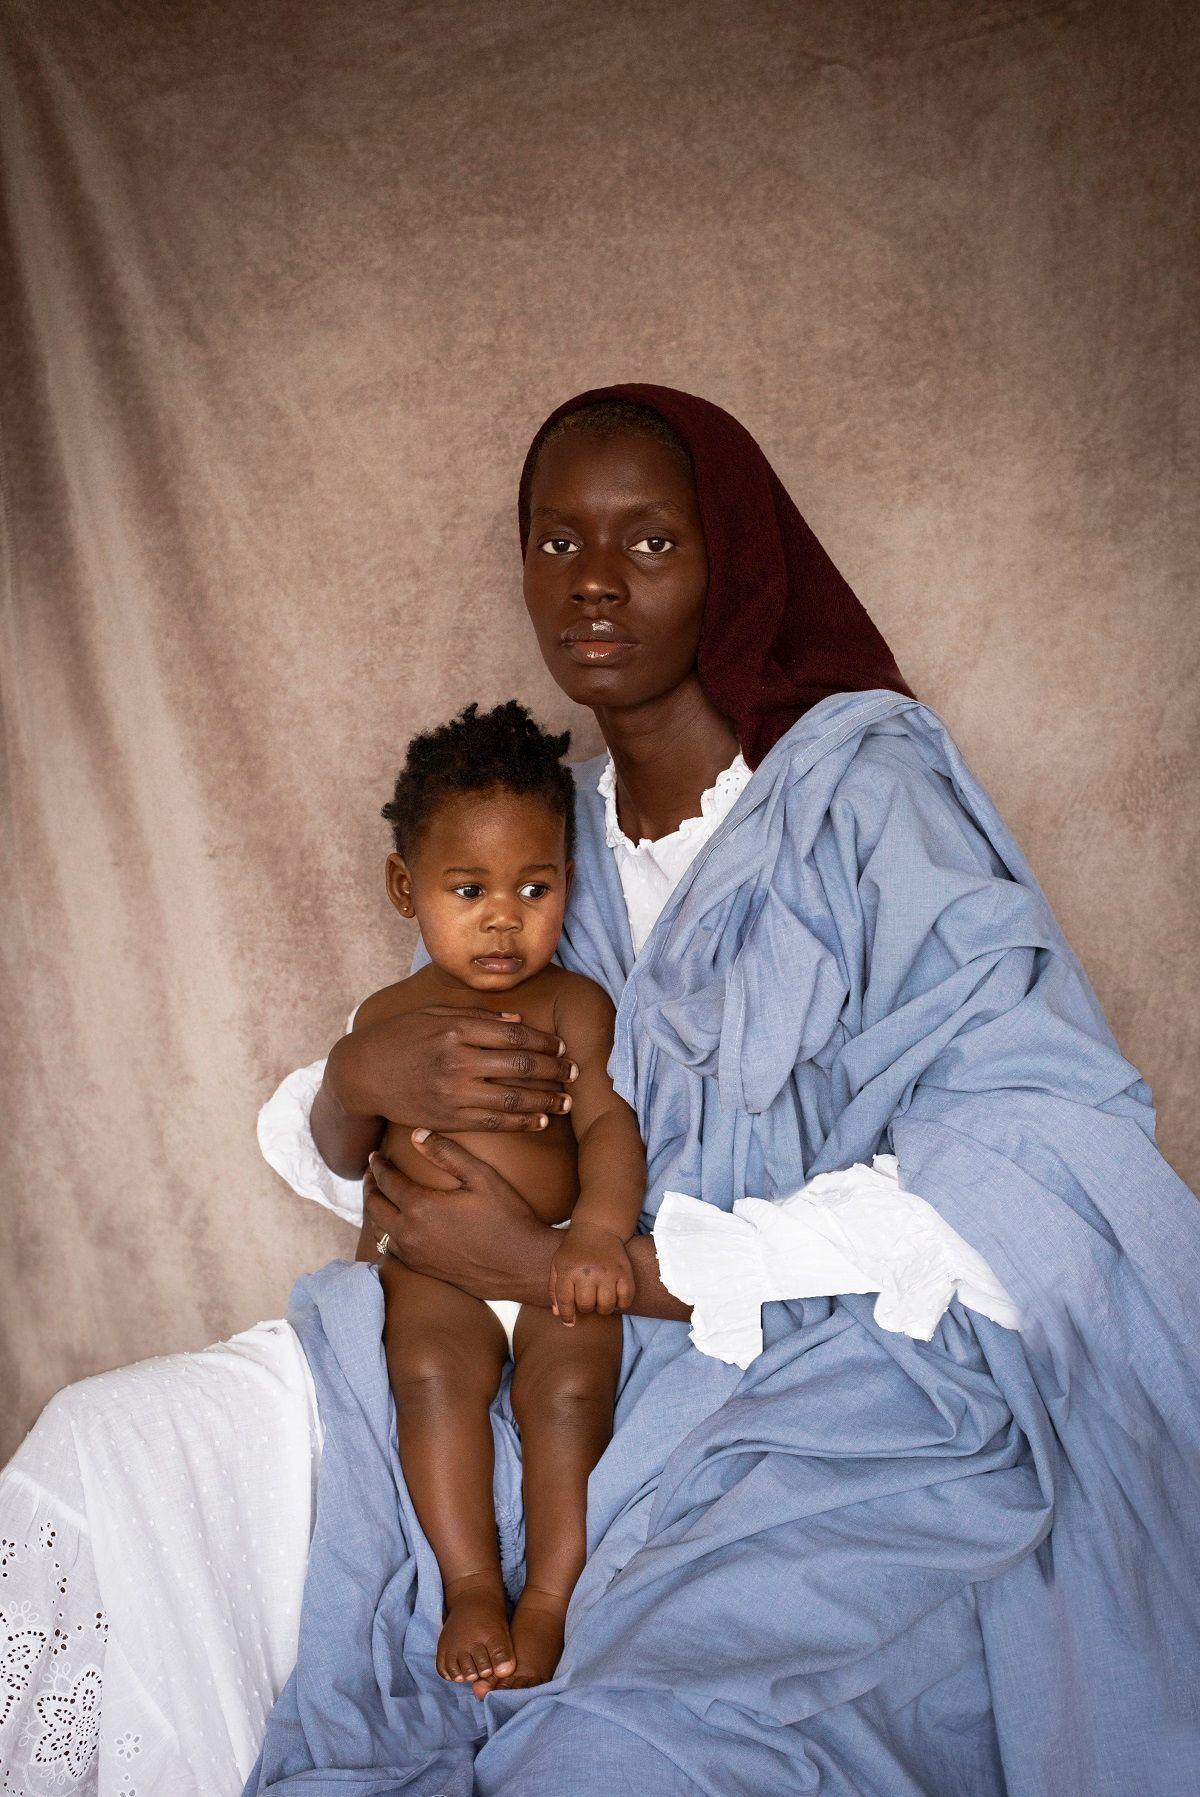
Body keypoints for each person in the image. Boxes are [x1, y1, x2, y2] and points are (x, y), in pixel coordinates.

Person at [2, 384, 1197, 1797]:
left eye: (648, 543)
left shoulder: (861, 794)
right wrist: (354, 1072)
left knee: (619, 1746)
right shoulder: (538, 830)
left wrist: (608, 1269)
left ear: (733, 563)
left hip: (832, 1374)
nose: (594, 586)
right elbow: (410, 1135)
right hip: (509, 1334)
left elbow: (1036, 1151)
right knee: (109, 1447)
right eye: (557, 544)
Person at [342, 699, 645, 1694]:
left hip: (554, 1250)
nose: (505, 917)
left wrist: (597, 1235)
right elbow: (350, 1150)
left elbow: (606, 1125)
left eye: (535, 885)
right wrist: (353, 1073)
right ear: (406, 887)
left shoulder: (572, 1003)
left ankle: (550, 1600)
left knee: (567, 1396)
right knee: (427, 1379)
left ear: (568, 881)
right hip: (435, 1273)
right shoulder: (387, 1018)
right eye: (468, 889)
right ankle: (473, 1583)